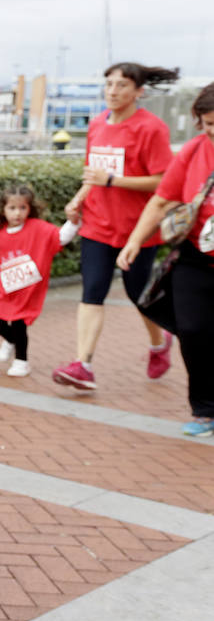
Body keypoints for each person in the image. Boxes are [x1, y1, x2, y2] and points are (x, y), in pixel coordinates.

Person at [53, 62, 178, 392]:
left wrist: (114, 180)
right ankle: (83, 364)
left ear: (139, 91)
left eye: (122, 85)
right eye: (108, 84)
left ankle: (159, 343)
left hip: (137, 230)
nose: (112, 91)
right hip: (96, 226)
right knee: (92, 291)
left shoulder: (151, 129)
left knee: (140, 297)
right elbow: (93, 172)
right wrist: (78, 199)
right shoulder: (96, 125)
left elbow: (163, 182)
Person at [117, 82, 214, 437]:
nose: (213, 133)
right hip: (195, 257)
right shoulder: (193, 151)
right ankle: (204, 408)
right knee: (192, 329)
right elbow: (161, 201)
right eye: (208, 126)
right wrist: (134, 241)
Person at [0, 185, 80, 377]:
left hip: (27, 291)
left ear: (30, 209)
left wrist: (74, 222)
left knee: (19, 325)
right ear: (3, 209)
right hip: (4, 291)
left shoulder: (38, 228)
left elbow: (60, 237)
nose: (17, 213)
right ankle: (11, 341)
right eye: (12, 208)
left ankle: (22, 361)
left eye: (23, 208)